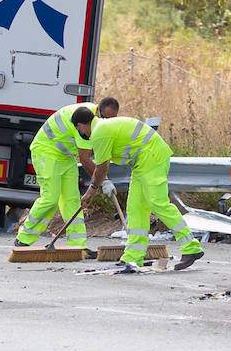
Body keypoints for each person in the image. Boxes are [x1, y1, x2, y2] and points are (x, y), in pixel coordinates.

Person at [75, 110, 204, 272]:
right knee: (135, 208)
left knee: (157, 203)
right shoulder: (103, 127)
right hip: (141, 162)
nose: (82, 134)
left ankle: (191, 247)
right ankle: (133, 255)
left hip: (151, 156)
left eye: (79, 130)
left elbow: (101, 168)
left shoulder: (99, 133)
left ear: (80, 125)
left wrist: (90, 192)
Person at [14, 96, 119, 259]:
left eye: (111, 121)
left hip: (65, 156)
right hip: (46, 152)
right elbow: (85, 158)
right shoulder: (85, 119)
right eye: (104, 119)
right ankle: (23, 239)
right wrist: (102, 181)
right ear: (97, 110)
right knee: (50, 199)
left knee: (72, 201)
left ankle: (78, 246)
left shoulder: (97, 121)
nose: (106, 123)